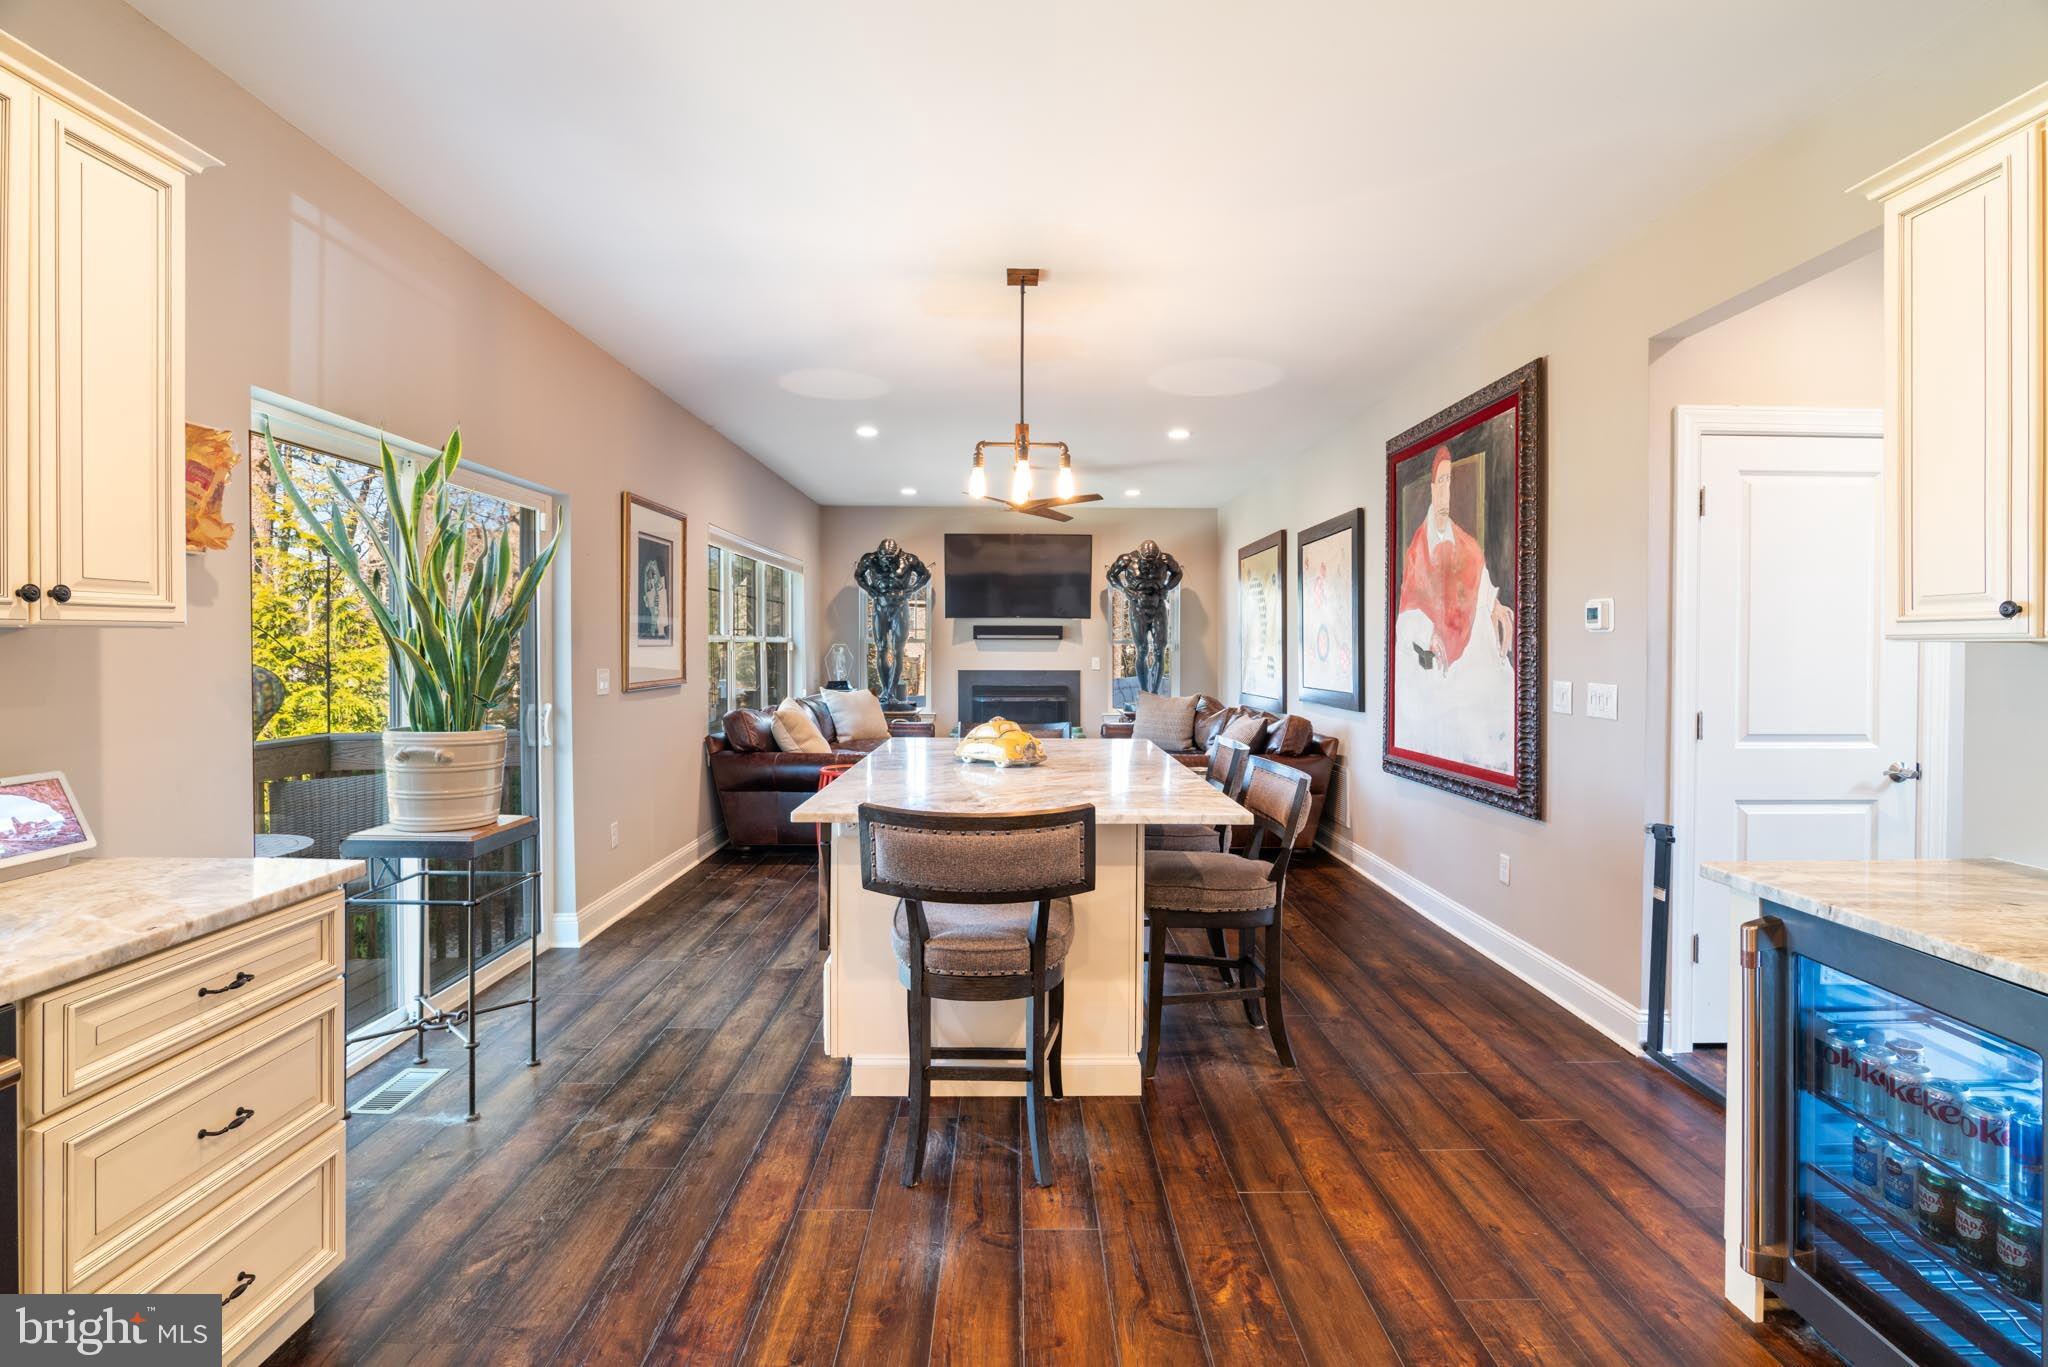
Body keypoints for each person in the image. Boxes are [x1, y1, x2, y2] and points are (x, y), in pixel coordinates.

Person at [1392, 445, 1515, 772]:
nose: (1446, 490)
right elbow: (1407, 609)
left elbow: (1481, 586)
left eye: (1451, 481)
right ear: (1433, 488)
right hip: (1434, 653)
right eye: (1441, 481)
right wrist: (1427, 632)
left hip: (1468, 647)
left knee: (1497, 690)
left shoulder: (1468, 546)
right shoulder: (1418, 548)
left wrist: (1495, 607)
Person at [853, 538, 931, 706]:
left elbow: (925, 574)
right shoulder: (870, 559)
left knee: (897, 650)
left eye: (890, 558)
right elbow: (858, 575)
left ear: (897, 554)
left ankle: (890, 692)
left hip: (900, 606)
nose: (887, 561)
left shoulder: (909, 559)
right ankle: (885, 691)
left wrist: (912, 589)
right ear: (879, 553)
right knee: (881, 648)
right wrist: (869, 589)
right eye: (884, 557)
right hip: (879, 605)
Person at [1106, 540, 1183, 697]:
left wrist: (1167, 587)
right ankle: (1144, 692)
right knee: (1141, 650)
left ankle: (1154, 693)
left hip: (1158, 606)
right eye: (1146, 559)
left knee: (1159, 650)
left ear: (1157, 555)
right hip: (1137, 607)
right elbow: (1111, 575)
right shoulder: (1127, 559)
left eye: (1152, 559)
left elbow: (1178, 573)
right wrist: (1123, 588)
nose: (1149, 562)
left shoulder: (1165, 560)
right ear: (1139, 554)